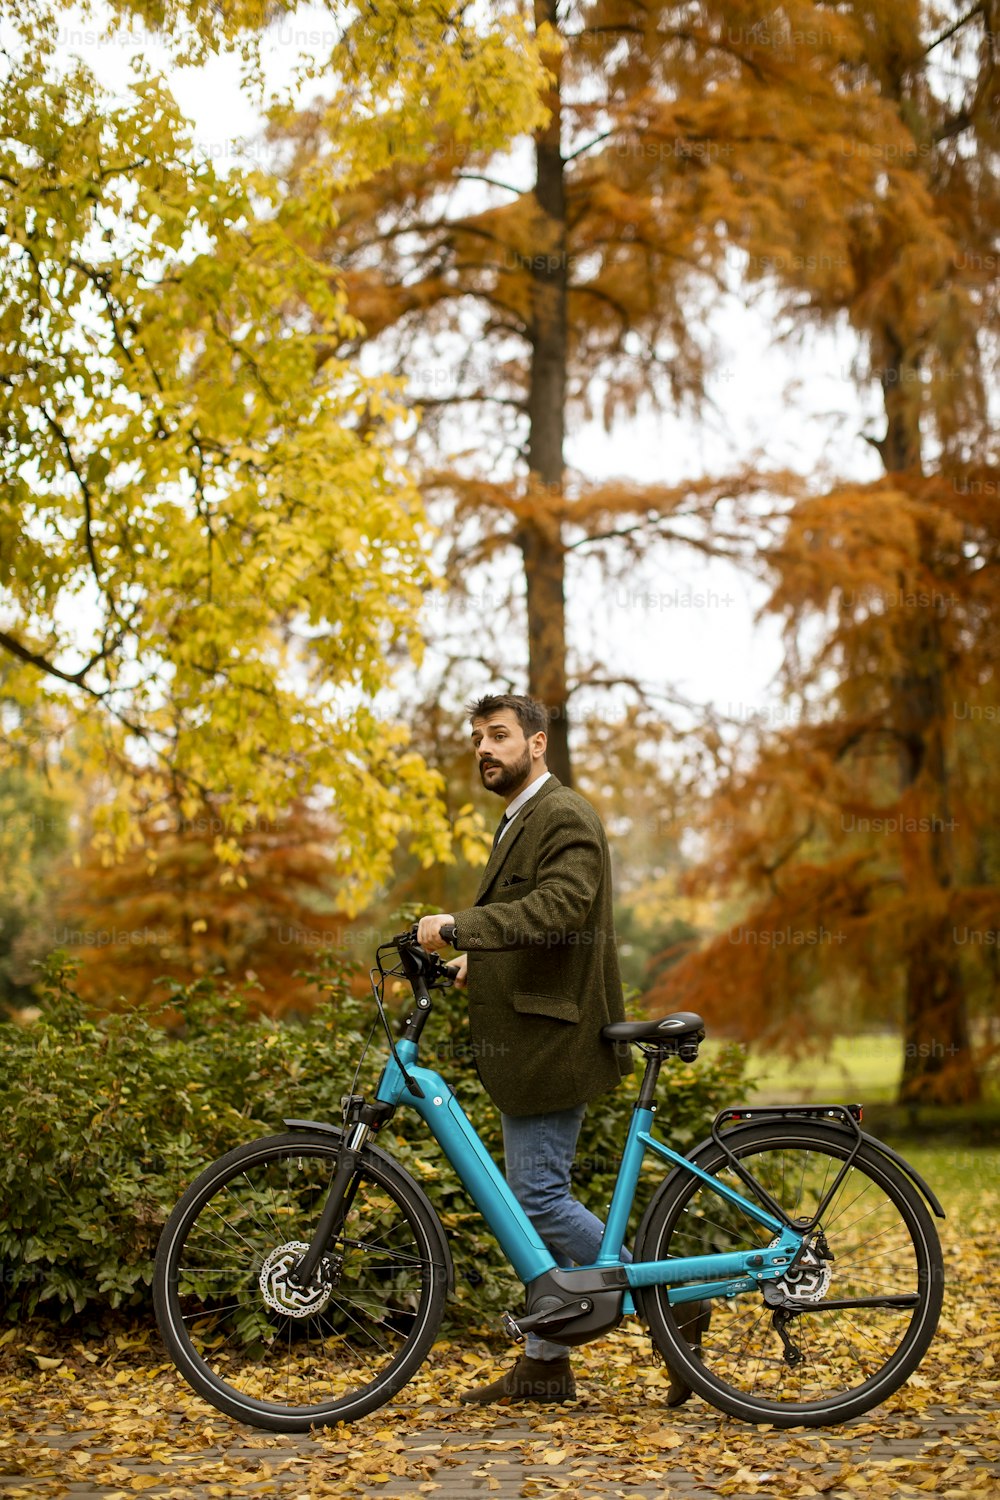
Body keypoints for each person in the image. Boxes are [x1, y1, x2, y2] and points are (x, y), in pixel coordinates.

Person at [416, 692, 706, 1407]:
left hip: (555, 1038)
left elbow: (560, 909)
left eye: (501, 735)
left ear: (538, 743)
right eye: (478, 736)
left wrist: (459, 927)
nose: (486, 748)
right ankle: (546, 1364)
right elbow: (539, 925)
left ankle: (676, 1307)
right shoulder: (523, 820)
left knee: (536, 1200)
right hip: (536, 1033)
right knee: (531, 1205)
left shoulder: (562, 814)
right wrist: (478, 962)